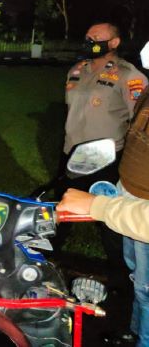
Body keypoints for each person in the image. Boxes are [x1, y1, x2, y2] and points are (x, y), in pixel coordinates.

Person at [58, 76, 149, 346]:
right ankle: (135, 331)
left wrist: (98, 206)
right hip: (130, 195)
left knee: (146, 287)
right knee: (137, 278)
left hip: (141, 211)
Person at [55, 22, 147, 262]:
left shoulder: (129, 76)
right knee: (62, 204)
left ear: (114, 43)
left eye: (96, 37)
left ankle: (118, 267)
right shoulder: (77, 70)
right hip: (71, 151)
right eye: (87, 36)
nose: (89, 41)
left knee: (108, 216)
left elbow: (140, 121)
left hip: (106, 157)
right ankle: (51, 251)